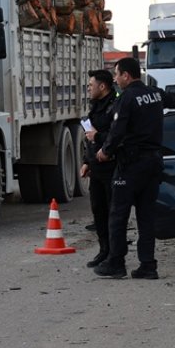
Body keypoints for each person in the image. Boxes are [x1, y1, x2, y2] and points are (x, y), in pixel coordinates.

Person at [92, 57, 175, 279]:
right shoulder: (154, 93)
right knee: (146, 216)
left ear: (126, 76)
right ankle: (148, 265)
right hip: (153, 164)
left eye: (117, 75)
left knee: (118, 214)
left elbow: (117, 131)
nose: (116, 79)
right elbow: (172, 98)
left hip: (131, 165)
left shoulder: (126, 98)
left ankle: (116, 263)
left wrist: (104, 151)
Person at [79, 69, 119, 267]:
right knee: (98, 211)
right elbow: (90, 138)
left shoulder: (115, 106)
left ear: (102, 87)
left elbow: (116, 135)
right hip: (97, 167)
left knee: (113, 212)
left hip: (112, 166)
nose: (88, 88)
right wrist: (87, 161)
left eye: (91, 85)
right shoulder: (96, 106)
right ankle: (104, 251)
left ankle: (115, 254)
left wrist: (98, 137)